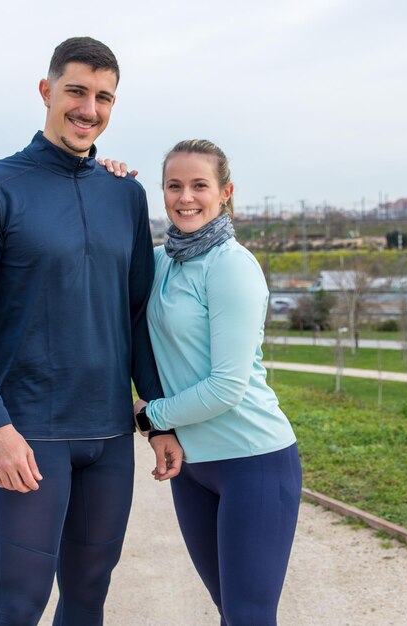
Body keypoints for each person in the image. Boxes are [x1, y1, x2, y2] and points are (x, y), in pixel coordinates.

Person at [0, 37, 182, 626]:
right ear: (47, 92)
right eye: (76, 91)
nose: (89, 109)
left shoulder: (125, 193)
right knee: (19, 606)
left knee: (88, 599)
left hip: (107, 437)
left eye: (104, 97)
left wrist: (156, 419)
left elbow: (136, 313)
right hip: (30, 435)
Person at [133, 139, 302, 626]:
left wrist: (151, 417)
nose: (186, 197)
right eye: (174, 185)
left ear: (225, 192)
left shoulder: (231, 266)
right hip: (193, 468)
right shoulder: (160, 261)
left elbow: (227, 387)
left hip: (254, 462)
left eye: (199, 185)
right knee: (230, 612)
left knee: (249, 616)